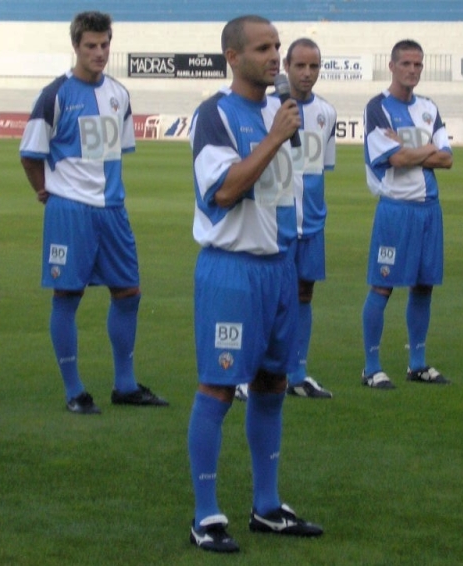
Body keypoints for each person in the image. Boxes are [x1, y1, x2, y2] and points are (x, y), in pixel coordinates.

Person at [187, 14, 323, 553]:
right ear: (232, 56)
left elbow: (280, 194)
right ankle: (205, 516)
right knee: (219, 387)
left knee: (272, 384)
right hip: (232, 271)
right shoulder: (215, 115)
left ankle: (267, 507)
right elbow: (224, 190)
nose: (275, 57)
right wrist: (273, 138)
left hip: (277, 269)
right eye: (264, 48)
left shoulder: (280, 111)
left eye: (278, 48)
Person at [19, 11, 167, 414]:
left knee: (129, 292)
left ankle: (125, 385)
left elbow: (116, 153)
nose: (99, 52)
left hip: (112, 210)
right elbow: (31, 155)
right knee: (67, 295)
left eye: (104, 45)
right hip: (70, 211)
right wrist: (45, 192)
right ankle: (74, 391)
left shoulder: (119, 94)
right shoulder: (54, 96)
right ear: (76, 46)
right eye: (91, 46)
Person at [361, 39, 453, 390]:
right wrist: (426, 149)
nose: (412, 70)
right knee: (383, 285)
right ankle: (371, 367)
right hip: (396, 209)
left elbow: (447, 158)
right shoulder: (378, 107)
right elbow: (393, 160)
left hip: (429, 208)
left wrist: (412, 149)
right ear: (392, 66)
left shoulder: (429, 107)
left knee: (423, 286)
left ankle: (417, 363)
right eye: (406, 64)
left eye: (418, 65)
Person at [282, 38, 337, 399]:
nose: (307, 73)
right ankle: (245, 375)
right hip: (276, 221)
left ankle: (297, 374)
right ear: (286, 66)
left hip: (312, 222)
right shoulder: (268, 110)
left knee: (304, 293)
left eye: (314, 66)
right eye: (300, 66)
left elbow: (321, 169)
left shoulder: (326, 113)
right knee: (267, 298)